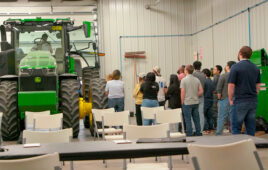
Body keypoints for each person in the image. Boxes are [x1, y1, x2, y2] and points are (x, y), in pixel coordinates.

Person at [228, 46, 261, 136]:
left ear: (240, 53)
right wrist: (254, 95)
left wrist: (230, 99)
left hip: (240, 100)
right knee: (250, 128)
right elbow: (258, 85)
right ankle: (250, 147)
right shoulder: (255, 68)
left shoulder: (235, 67)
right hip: (253, 100)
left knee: (236, 128)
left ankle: (238, 148)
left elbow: (231, 85)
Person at [181, 65, 203, 136]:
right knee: (196, 119)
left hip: (187, 102)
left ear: (186, 71)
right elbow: (201, 91)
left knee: (188, 119)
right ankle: (198, 132)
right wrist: (196, 95)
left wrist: (182, 101)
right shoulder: (197, 79)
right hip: (195, 102)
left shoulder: (184, 80)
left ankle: (189, 134)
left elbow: (182, 92)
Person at [216, 61, 236, 135]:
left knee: (221, 117)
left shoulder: (223, 76)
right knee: (233, 117)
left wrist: (219, 99)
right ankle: (234, 132)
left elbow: (219, 88)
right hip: (235, 98)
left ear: (228, 67)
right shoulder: (237, 75)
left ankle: (218, 133)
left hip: (224, 98)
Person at [192, 61, 206, 131]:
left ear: (193, 67)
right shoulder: (203, 75)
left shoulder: (193, 74)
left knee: (193, 114)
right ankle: (201, 129)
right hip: (202, 96)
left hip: (194, 96)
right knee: (201, 113)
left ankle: (194, 129)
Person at [202, 68, 215, 133]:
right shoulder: (211, 81)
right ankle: (211, 128)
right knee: (210, 115)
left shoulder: (204, 82)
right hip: (211, 99)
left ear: (204, 74)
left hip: (205, 99)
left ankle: (206, 129)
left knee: (204, 114)